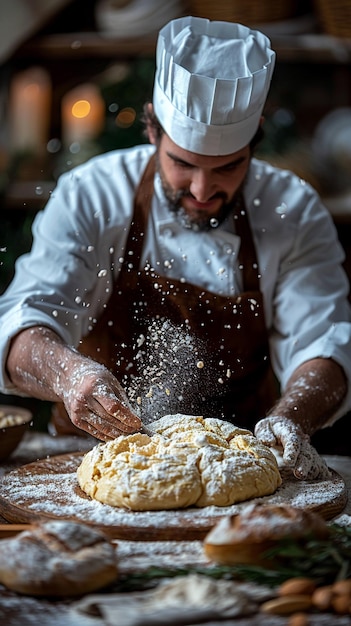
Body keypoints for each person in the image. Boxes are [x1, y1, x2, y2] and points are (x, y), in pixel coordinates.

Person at [1, 16, 351, 480]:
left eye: (227, 168)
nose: (203, 190)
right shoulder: (92, 195)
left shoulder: (293, 209)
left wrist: (289, 421)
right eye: (182, 165)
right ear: (152, 130)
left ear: (254, 141)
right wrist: (71, 376)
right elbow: (25, 321)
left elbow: (323, 344)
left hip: (243, 469)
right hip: (91, 463)